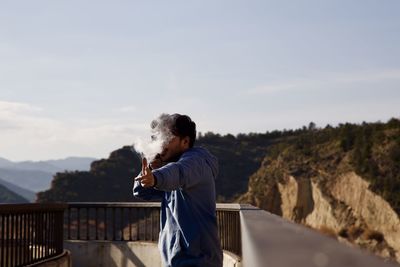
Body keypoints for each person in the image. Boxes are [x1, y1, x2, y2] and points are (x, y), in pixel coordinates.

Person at [133, 113, 223, 267]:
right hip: (179, 261)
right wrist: (151, 168)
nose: (162, 143)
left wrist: (155, 178)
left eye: (168, 137)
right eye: (160, 138)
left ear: (185, 141)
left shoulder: (196, 162)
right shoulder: (171, 171)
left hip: (198, 261)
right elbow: (141, 191)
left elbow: (178, 172)